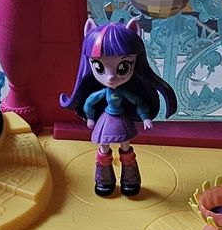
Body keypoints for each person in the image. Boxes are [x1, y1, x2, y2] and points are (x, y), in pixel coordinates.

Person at [60, 17, 177, 196]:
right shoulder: (102, 92)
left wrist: (145, 117)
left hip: (121, 119)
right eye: (99, 67)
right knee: (104, 147)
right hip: (106, 120)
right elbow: (90, 102)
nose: (110, 77)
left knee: (125, 146)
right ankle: (104, 179)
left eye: (122, 68)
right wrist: (90, 117)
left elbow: (138, 102)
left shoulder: (124, 92)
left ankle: (130, 179)